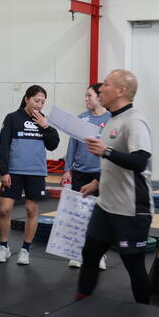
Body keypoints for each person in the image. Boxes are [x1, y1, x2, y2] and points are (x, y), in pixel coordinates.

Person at [75, 69, 154, 305]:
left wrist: (105, 151)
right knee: (90, 254)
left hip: (130, 209)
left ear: (121, 91)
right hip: (106, 206)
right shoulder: (112, 119)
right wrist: (96, 183)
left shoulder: (134, 121)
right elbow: (112, 163)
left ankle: (146, 313)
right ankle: (79, 306)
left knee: (133, 264)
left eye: (106, 84)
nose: (101, 88)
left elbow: (139, 161)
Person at [0, 85, 60, 266]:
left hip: (35, 172)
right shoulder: (12, 118)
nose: (39, 104)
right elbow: (4, 145)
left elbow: (53, 145)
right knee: (4, 209)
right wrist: (4, 171)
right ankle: (3, 246)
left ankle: (25, 250)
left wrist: (45, 126)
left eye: (42, 102)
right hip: (14, 171)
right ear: (27, 99)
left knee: (32, 211)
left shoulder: (45, 120)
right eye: (36, 100)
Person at [64, 83, 112, 269]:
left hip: (100, 174)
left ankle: (100, 255)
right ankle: (77, 253)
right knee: (79, 215)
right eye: (85, 96)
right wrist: (67, 169)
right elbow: (72, 145)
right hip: (80, 173)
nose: (86, 99)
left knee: (99, 218)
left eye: (89, 96)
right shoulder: (81, 119)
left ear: (99, 97)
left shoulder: (110, 119)